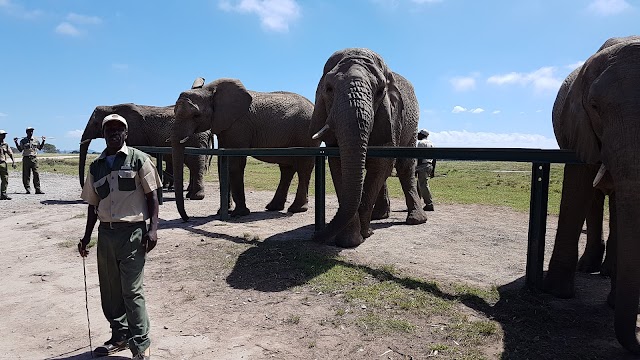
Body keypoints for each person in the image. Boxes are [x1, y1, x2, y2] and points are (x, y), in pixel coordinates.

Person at [78, 114, 161, 360]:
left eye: (118, 129)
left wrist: (153, 229)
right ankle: (120, 335)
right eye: (109, 130)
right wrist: (86, 237)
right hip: (106, 234)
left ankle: (141, 344)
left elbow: (153, 197)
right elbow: (93, 206)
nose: (114, 133)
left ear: (126, 133)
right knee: (110, 290)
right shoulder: (96, 166)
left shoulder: (139, 159)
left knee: (132, 290)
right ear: (103, 134)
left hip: (133, 233)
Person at [14, 126, 45, 194]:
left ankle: (38, 189)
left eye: (32, 131)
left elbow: (40, 148)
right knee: (26, 174)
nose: (30, 132)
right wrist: (16, 142)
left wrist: (43, 141)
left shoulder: (36, 140)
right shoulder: (23, 141)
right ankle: (27, 189)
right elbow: (20, 150)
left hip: (34, 158)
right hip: (26, 158)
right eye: (29, 131)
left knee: (36, 174)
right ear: (26, 132)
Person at [416, 129, 435, 211]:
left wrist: (416, 168)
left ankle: (429, 204)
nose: (417, 135)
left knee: (423, 185)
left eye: (419, 134)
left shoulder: (421, 143)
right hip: (429, 165)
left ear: (422, 135)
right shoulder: (431, 143)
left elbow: (419, 156)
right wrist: (433, 170)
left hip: (422, 165)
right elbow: (435, 158)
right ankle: (416, 202)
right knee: (419, 185)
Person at [0, 130, 17, 200]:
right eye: (2, 135)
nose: (4, 136)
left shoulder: (5, 144)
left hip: (3, 163)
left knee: (5, 179)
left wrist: (14, 161)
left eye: (4, 135)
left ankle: (3, 194)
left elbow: (10, 153)